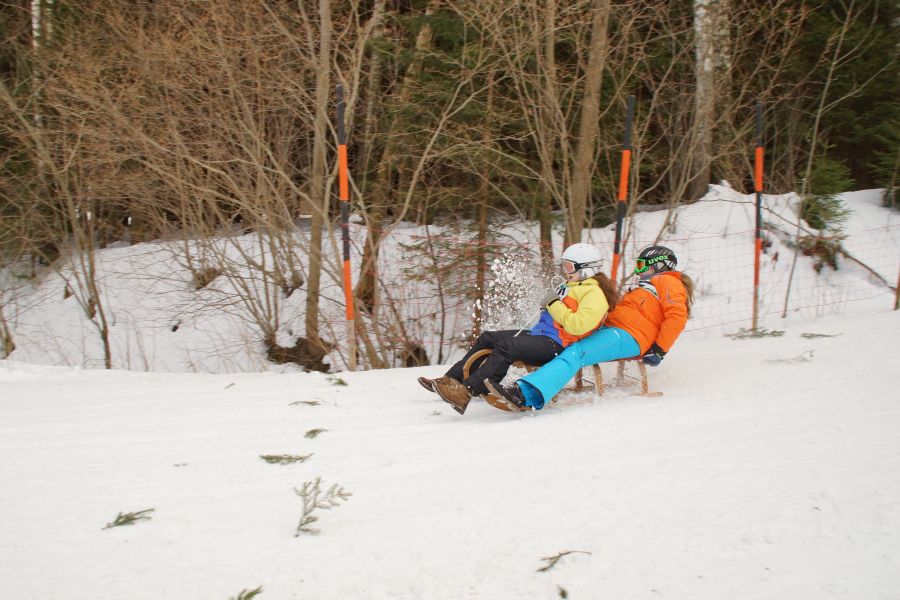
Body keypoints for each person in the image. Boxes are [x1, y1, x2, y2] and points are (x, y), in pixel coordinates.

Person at [484, 245, 694, 412]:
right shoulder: (644, 287)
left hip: (630, 336)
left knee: (578, 352)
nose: (638, 270)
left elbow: (676, 317)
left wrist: (660, 349)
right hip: (615, 331)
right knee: (568, 344)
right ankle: (521, 381)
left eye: (642, 265)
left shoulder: (668, 281)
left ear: (660, 265)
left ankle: (526, 393)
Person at [418, 243, 617, 415]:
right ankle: (451, 381)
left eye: (569, 266)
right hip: (542, 335)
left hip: (558, 344)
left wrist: (554, 303)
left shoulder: (594, 294)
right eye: (564, 265)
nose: (566, 271)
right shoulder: (573, 286)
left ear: (586, 269)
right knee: (488, 338)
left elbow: (577, 325)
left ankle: (467, 391)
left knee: (507, 346)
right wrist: (548, 304)